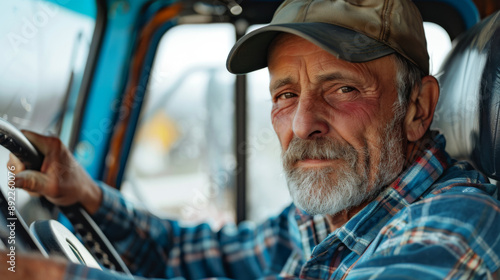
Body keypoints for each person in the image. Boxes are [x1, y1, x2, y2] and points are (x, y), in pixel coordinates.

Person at [2, 0, 500, 279]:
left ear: (417, 109)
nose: (303, 124)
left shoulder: (461, 222)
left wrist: (43, 276)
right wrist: (86, 194)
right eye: (285, 94)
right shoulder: (328, 217)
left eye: (342, 88)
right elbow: (185, 255)